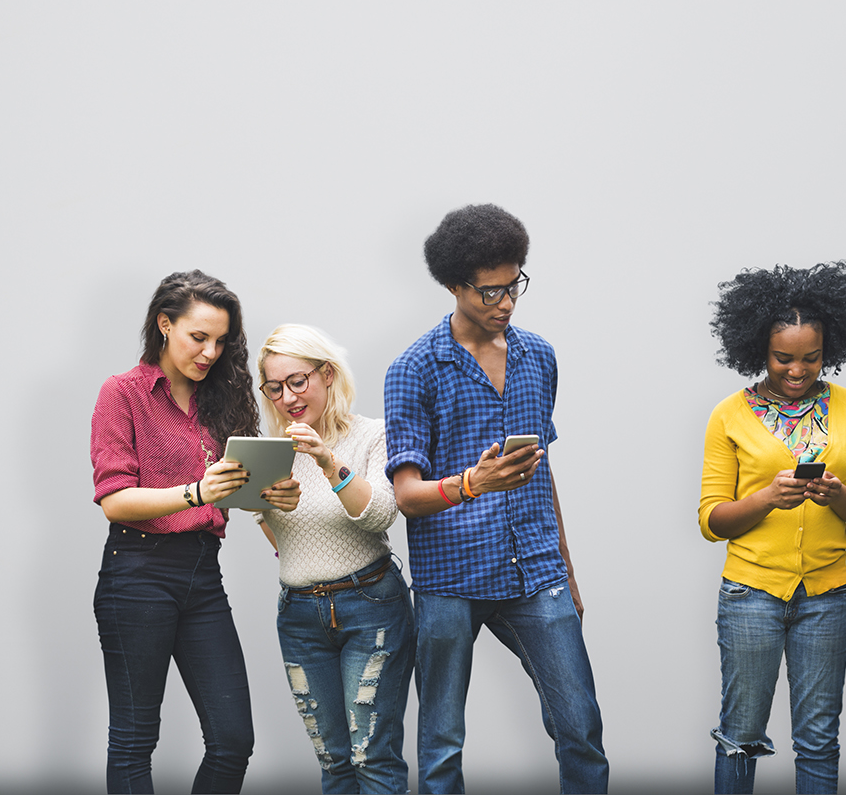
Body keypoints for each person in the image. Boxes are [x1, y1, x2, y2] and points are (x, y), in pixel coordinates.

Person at [384, 203, 608, 794]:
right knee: (440, 748)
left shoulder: (539, 356)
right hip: (449, 580)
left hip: (536, 572)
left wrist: (568, 570)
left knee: (581, 728)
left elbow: (543, 471)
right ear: (455, 286)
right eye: (490, 292)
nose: (506, 303)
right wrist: (473, 483)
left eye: (515, 286)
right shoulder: (413, 369)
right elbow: (406, 495)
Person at [90, 270, 302, 794]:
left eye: (221, 341)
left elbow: (237, 492)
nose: (210, 353)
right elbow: (115, 501)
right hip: (136, 574)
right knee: (136, 740)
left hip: (202, 575)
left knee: (233, 740)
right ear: (165, 325)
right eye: (198, 337)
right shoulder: (123, 394)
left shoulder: (221, 401)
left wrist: (275, 501)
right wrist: (196, 492)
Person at [699, 262, 846, 794]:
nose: (797, 370)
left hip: (827, 595)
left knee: (820, 739)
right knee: (740, 735)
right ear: (759, 348)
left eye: (812, 358)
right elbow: (711, 521)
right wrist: (765, 498)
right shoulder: (728, 416)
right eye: (784, 358)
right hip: (751, 594)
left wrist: (839, 495)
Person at [255, 323, 413, 793]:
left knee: (373, 759)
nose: (287, 397)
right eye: (275, 387)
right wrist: (261, 504)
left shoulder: (372, 435)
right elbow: (272, 526)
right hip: (300, 615)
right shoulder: (272, 450)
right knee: (334, 763)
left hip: (371, 608)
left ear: (326, 374)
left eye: (297, 381)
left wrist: (328, 462)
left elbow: (381, 515)